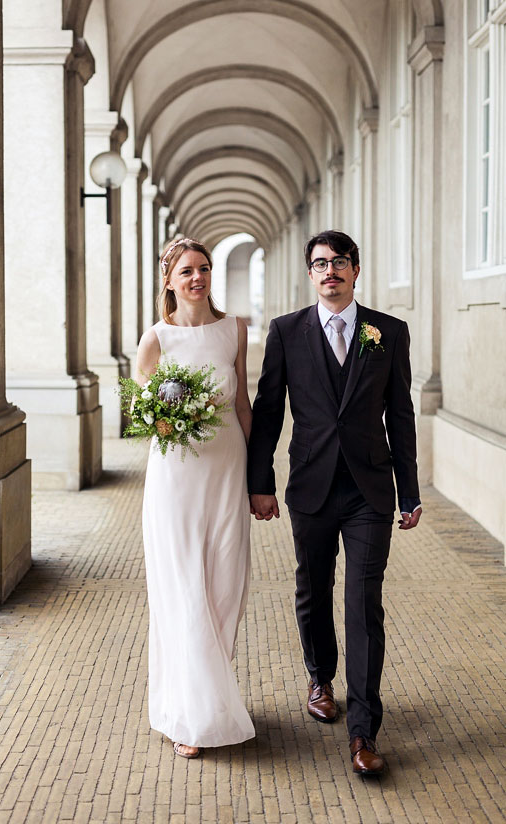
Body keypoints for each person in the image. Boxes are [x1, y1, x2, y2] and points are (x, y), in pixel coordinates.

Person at [247, 229, 420, 777]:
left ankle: (364, 730)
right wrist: (261, 482)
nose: (330, 272)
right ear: (309, 273)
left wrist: (409, 490)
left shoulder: (387, 332)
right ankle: (319, 676)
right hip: (312, 487)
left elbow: (402, 415)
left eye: (339, 262)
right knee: (313, 588)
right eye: (320, 264)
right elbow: (269, 410)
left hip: (370, 488)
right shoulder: (286, 333)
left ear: (356, 269)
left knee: (364, 601)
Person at [134, 237, 255, 759]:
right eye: (186, 271)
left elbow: (243, 403)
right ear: (169, 280)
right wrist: (172, 419)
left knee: (225, 585)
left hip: (228, 470)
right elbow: (143, 414)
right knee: (183, 589)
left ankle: (211, 699)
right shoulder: (155, 339)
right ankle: (186, 712)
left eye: (204, 269)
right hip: (177, 479)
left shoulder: (235, 330)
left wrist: (258, 479)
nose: (197, 278)